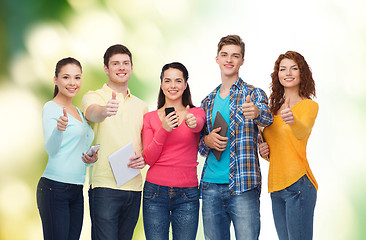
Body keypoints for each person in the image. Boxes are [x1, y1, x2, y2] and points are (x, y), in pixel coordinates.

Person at [198, 35, 273, 240]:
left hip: (243, 185)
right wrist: (207, 141)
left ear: (242, 61)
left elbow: (268, 119)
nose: (229, 60)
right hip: (211, 186)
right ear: (217, 59)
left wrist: (256, 112)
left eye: (235, 56)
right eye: (224, 55)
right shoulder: (207, 102)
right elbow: (200, 147)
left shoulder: (254, 94)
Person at [81, 44, 148, 240]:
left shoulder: (142, 106)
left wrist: (144, 158)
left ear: (132, 67)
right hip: (104, 187)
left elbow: (145, 145)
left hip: (134, 188)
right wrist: (104, 110)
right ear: (106, 68)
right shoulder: (94, 96)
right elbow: (92, 112)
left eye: (125, 63)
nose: (121, 67)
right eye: (115, 63)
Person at [258, 51, 318, 240]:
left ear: (302, 73)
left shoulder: (308, 105)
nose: (288, 73)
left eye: (294, 68)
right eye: (283, 69)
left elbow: (301, 132)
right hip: (276, 188)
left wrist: (292, 120)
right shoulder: (272, 109)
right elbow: (277, 147)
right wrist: (263, 151)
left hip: (298, 184)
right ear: (278, 75)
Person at [37, 57, 98, 240]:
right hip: (54, 188)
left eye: (77, 77)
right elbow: (52, 149)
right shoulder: (51, 108)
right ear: (56, 79)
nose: (72, 83)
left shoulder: (78, 112)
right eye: (66, 77)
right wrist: (58, 130)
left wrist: (90, 159)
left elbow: (75, 153)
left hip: (76, 189)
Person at [142, 62, 205, 240]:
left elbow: (198, 123)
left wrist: (192, 121)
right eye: (168, 81)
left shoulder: (196, 112)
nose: (173, 86)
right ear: (161, 85)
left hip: (187, 193)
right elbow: (149, 158)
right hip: (155, 192)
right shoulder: (150, 118)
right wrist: (164, 129)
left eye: (178, 81)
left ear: (185, 85)